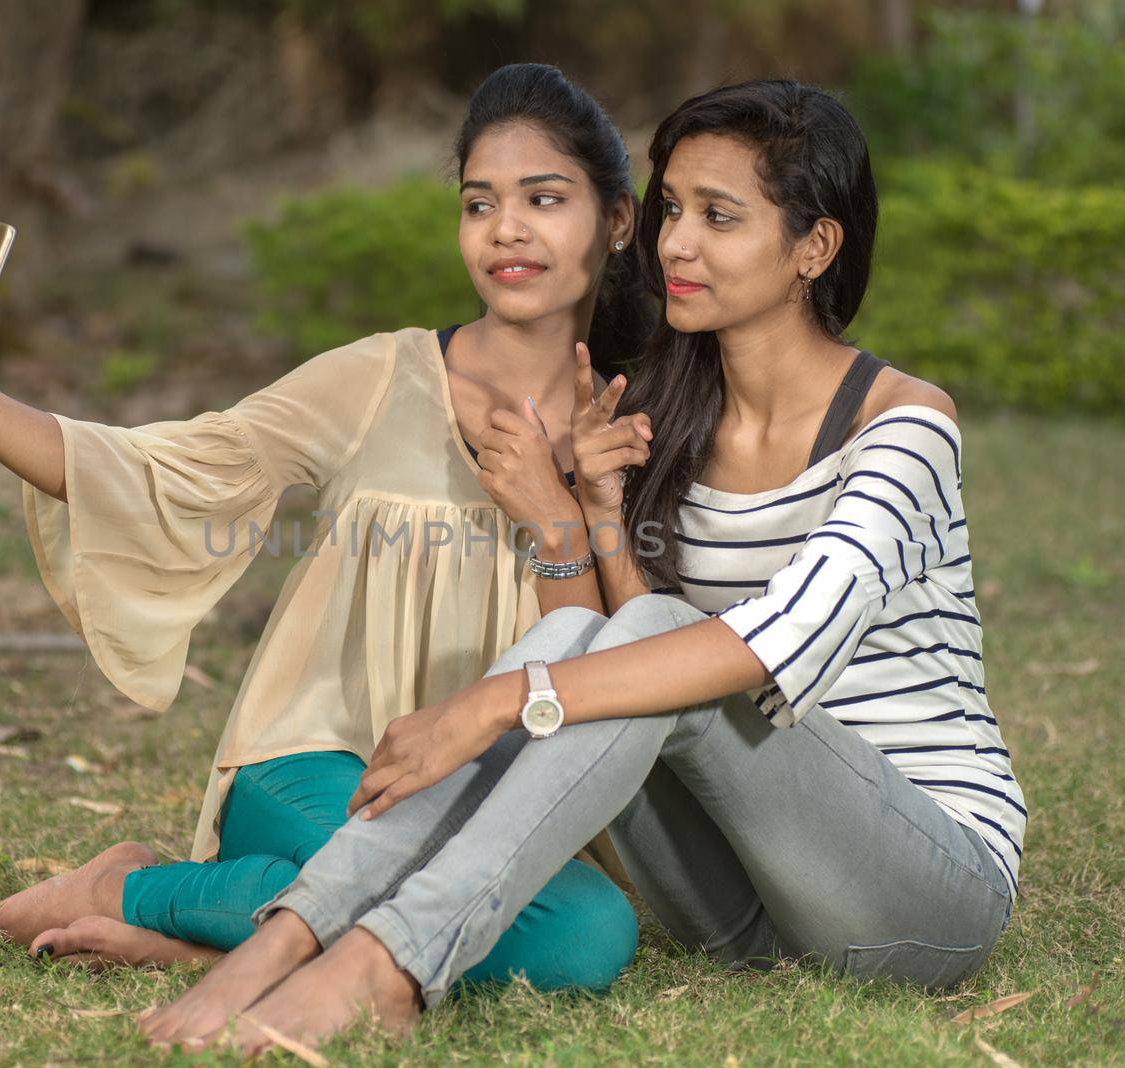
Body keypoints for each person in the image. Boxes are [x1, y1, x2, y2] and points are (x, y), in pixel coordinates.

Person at [139, 79, 1026, 1055]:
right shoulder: (671, 413)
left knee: (589, 655)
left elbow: (765, 644)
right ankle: (296, 934)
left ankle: (382, 961)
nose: (676, 245)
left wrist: (492, 702)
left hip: (921, 894)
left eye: (719, 217)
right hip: (738, 915)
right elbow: (651, 661)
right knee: (583, 636)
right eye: (673, 211)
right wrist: (601, 519)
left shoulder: (902, 426)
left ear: (813, 248)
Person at [0, 64, 655, 991]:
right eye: (479, 202)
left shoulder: (641, 417)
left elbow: (597, 668)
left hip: (493, 798)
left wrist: (559, 519)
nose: (507, 230)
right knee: (429, 892)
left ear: (616, 219)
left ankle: (197, 921)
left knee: (587, 936)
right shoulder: (378, 378)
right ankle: (140, 888)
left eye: (545, 198)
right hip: (316, 770)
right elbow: (161, 469)